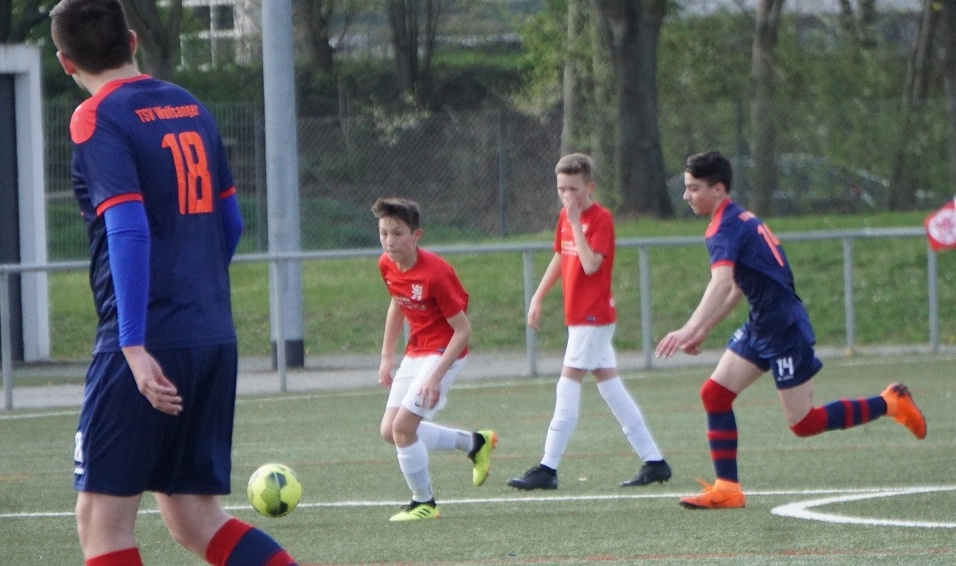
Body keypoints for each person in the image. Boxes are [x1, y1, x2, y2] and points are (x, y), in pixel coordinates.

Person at [51, 1, 298, 564]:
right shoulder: (190, 105)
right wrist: (196, 292)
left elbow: (128, 228)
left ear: (66, 63)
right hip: (210, 333)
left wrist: (134, 345)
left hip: (145, 341)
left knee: (101, 522)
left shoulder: (95, 117)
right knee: (193, 515)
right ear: (132, 41)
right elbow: (232, 223)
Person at [656, 150, 927, 510]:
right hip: (762, 324)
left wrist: (687, 328)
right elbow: (736, 286)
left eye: (693, 188)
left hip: (784, 329)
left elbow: (721, 283)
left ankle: (890, 402)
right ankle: (728, 488)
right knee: (715, 395)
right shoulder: (735, 219)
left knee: (804, 423)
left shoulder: (725, 227)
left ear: (718, 189)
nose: (686, 195)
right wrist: (703, 329)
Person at [507, 153, 671, 491]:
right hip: (579, 316)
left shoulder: (601, 219)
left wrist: (575, 222)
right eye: (561, 189)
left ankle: (547, 468)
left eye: (574, 189)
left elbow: (590, 264)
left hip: (594, 316)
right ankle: (655, 462)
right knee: (611, 388)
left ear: (590, 187)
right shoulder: (566, 217)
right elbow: (560, 256)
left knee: (567, 386)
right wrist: (538, 297)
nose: (567, 196)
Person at [372, 197, 497, 522]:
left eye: (397, 233)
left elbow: (463, 331)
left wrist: (435, 376)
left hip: (444, 352)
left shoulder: (436, 274)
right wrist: (387, 356)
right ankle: (474, 443)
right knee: (390, 431)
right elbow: (397, 303)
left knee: (403, 428)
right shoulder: (387, 264)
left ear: (416, 235)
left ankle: (424, 502)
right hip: (417, 350)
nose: (389, 241)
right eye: (384, 233)